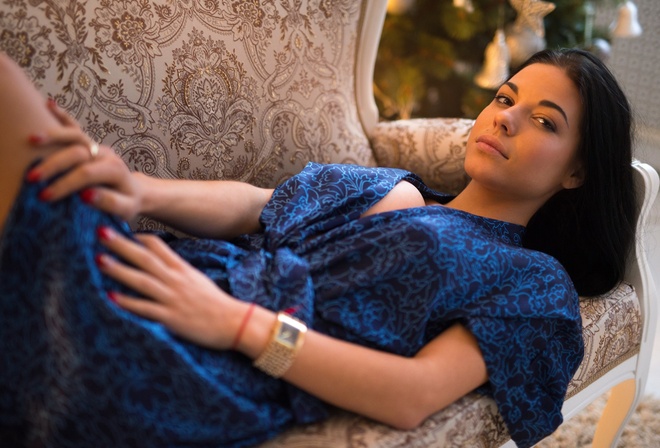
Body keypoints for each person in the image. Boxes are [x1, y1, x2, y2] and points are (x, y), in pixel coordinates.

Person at [0, 47, 635, 448]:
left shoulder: (531, 277)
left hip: (218, 362)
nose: (507, 118)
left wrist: (237, 324)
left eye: (546, 121)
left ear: (576, 172)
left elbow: (411, 394)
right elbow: (254, 204)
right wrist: (134, 191)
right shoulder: (396, 189)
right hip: (179, 277)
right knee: (51, 154)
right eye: (505, 97)